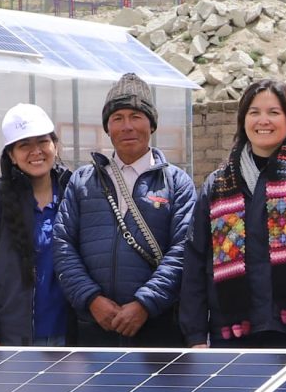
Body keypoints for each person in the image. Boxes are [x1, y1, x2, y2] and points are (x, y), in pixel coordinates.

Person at [179, 78, 286, 348]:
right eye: (254, 112)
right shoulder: (217, 184)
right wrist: (195, 335)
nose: (263, 121)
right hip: (233, 332)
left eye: (274, 112)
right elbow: (195, 261)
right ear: (243, 120)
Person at [55, 73, 195, 346]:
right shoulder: (83, 180)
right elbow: (62, 244)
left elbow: (184, 250)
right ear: (107, 127)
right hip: (92, 326)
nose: (127, 126)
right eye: (117, 118)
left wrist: (145, 304)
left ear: (152, 124)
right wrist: (91, 299)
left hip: (157, 326)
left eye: (136, 116)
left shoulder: (177, 183)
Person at [0, 104, 72, 346]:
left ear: (55, 145)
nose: (36, 151)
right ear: (11, 155)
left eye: (42, 141)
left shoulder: (76, 193)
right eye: (24, 145)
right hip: (12, 342)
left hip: (74, 338)